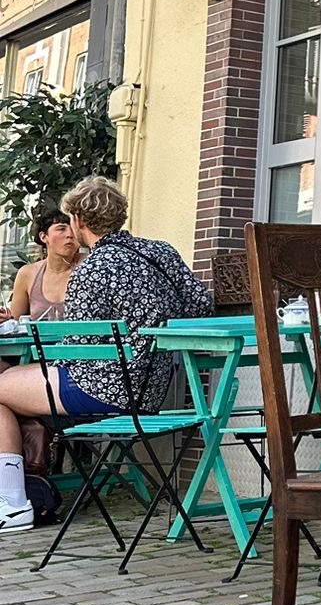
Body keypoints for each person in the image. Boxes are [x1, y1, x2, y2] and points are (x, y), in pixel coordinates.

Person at [0, 177, 212, 535]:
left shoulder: (90, 270)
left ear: (79, 220)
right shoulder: (161, 252)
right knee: (14, 382)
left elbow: (75, 351)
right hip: (153, 389)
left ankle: (13, 503)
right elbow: (201, 306)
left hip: (100, 391)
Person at [1, 210, 81, 327]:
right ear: (43, 236)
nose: (70, 234)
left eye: (74, 229)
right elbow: (16, 323)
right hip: (39, 339)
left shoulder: (90, 266)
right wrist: (6, 319)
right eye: (61, 229)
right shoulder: (28, 274)